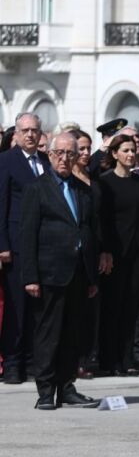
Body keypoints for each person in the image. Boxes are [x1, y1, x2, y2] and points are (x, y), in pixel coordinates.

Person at [18, 132, 103, 410]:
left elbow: (88, 230)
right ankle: (45, 391)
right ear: (50, 155)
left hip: (78, 273)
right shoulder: (37, 188)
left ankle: (67, 387)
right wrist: (30, 276)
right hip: (49, 273)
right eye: (60, 153)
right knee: (48, 334)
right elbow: (27, 235)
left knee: (71, 334)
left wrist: (91, 276)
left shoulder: (83, 190)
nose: (65, 159)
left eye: (71, 153)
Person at [95, 134, 139, 377]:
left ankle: (127, 358)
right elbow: (102, 220)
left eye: (133, 150)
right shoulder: (105, 182)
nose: (131, 154)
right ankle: (108, 359)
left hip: (135, 254)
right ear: (114, 154)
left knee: (132, 307)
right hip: (112, 254)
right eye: (125, 150)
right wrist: (104, 250)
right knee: (112, 307)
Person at [0, 112, 49, 384]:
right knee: (17, 310)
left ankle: (32, 362)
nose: (30, 135)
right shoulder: (6, 161)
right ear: (16, 134)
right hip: (16, 247)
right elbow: (1, 204)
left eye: (34, 130)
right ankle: (13, 365)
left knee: (37, 310)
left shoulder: (45, 162)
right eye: (25, 130)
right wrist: (2, 244)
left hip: (42, 247)